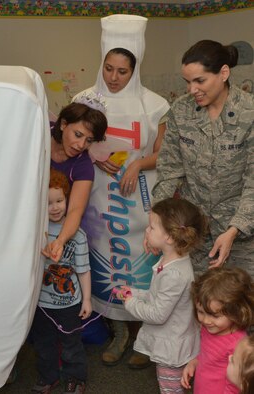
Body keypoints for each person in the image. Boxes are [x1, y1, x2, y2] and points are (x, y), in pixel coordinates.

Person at [73, 14, 170, 368]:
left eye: (123, 71)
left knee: (144, 268)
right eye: (109, 68)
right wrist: (95, 157)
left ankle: (145, 339)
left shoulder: (155, 104)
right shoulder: (83, 99)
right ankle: (119, 334)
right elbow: (72, 142)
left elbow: (165, 154)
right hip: (99, 206)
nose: (114, 78)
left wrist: (137, 164)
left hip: (140, 205)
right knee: (108, 270)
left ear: (136, 68)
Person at [152, 39, 254, 279]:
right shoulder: (181, 110)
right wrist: (157, 221)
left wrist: (233, 230)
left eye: (200, 81)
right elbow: (169, 170)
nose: (192, 90)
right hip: (193, 232)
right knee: (198, 304)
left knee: (240, 305)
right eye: (187, 82)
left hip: (241, 234)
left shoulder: (249, 113)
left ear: (224, 73)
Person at [114, 198, 206, 393]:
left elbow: (157, 314)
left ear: (170, 238)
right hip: (175, 337)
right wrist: (136, 293)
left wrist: (130, 302)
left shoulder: (173, 274)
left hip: (171, 348)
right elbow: (157, 295)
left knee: (170, 389)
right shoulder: (173, 261)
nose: (146, 231)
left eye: (151, 228)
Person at [31, 168, 92, 394]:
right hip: (41, 303)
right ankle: (48, 377)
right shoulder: (37, 231)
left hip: (69, 304)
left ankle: (75, 378)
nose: (55, 207)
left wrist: (86, 300)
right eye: (49, 203)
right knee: (43, 344)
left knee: (71, 345)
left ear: (67, 198)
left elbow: (84, 270)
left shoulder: (77, 234)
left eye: (59, 200)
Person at [44, 101, 107, 263]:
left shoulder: (83, 166)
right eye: (78, 135)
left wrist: (60, 241)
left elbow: (75, 210)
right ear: (64, 124)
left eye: (89, 140)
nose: (81, 145)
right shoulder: (40, 133)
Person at [181, 267, 254, 393]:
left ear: (236, 311)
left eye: (215, 315)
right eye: (200, 312)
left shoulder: (239, 345)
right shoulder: (209, 327)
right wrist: (194, 362)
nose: (206, 321)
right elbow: (206, 354)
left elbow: (237, 384)